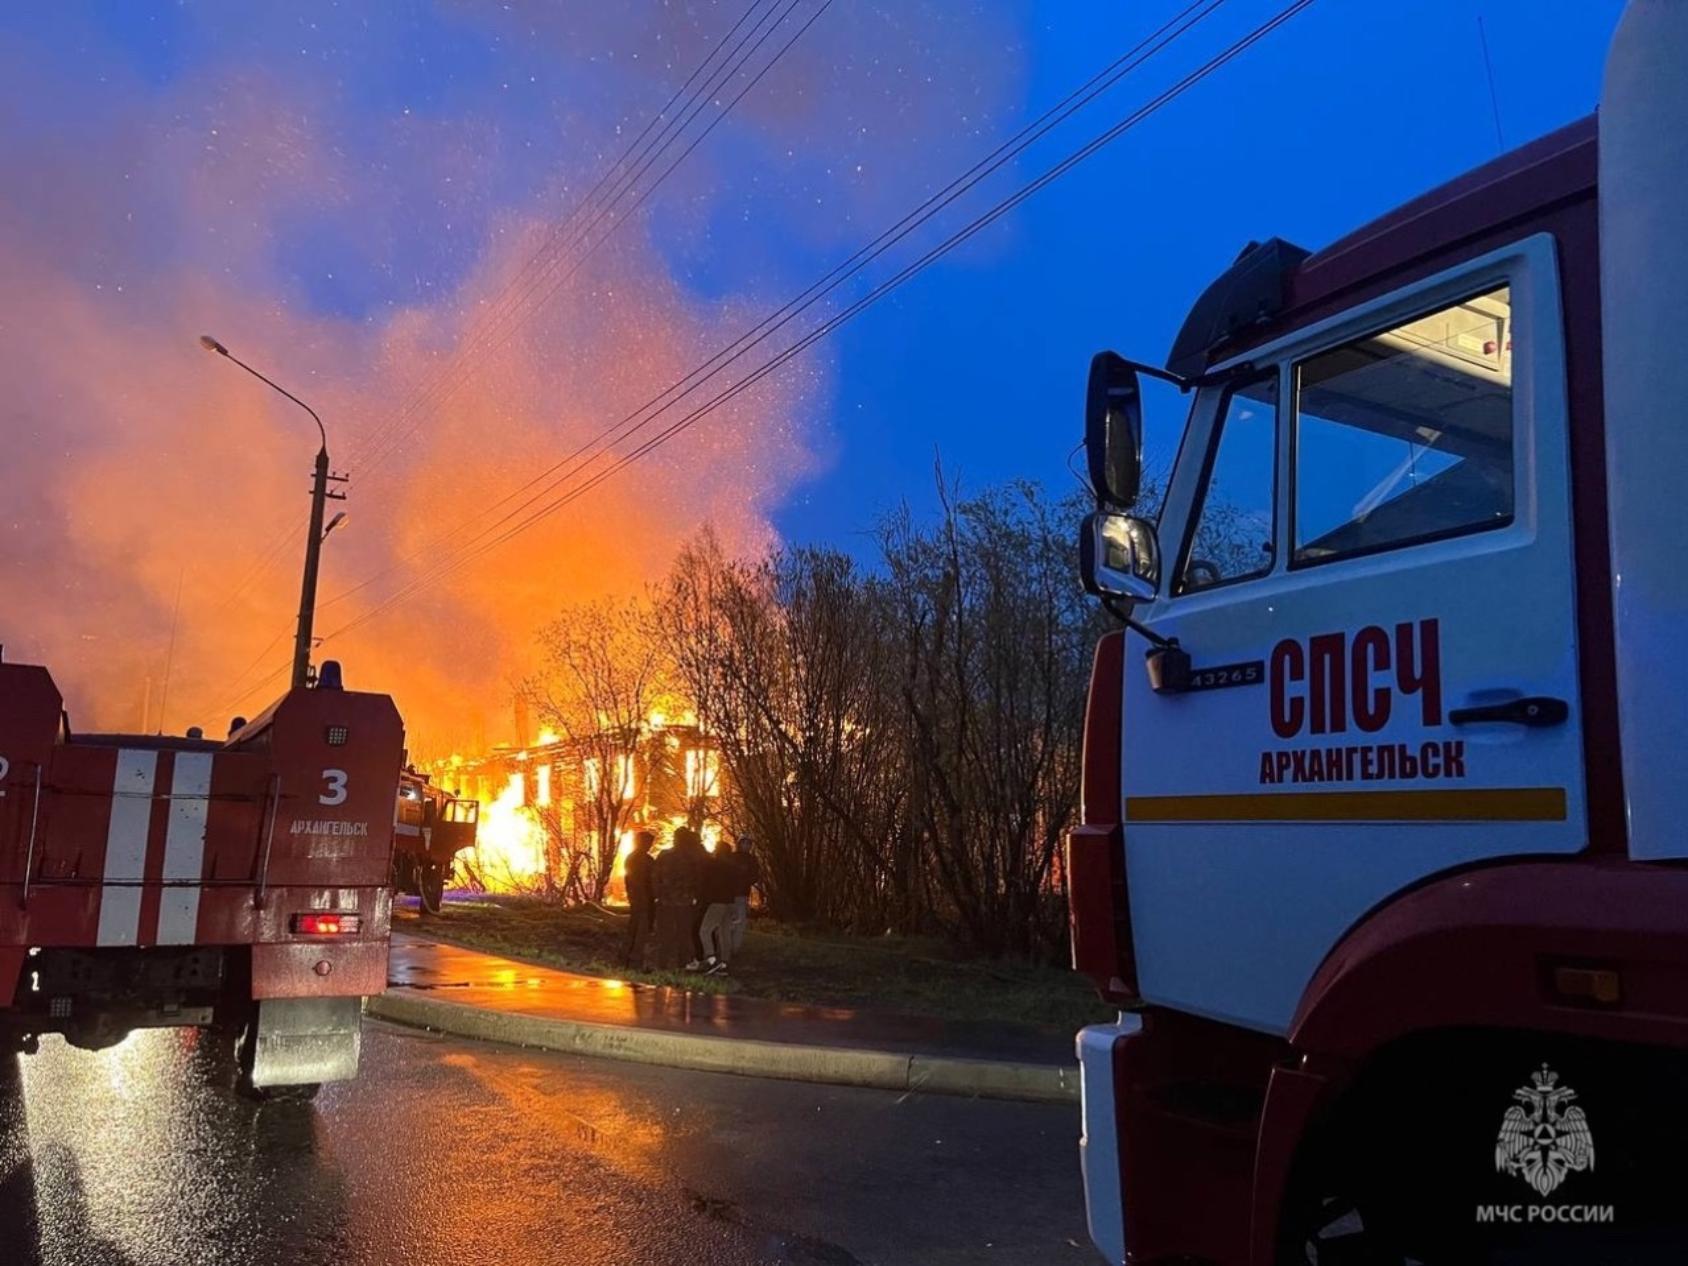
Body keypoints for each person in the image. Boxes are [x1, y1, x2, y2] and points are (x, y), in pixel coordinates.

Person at [652, 826, 704, 970]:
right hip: (684, 902)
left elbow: (655, 877)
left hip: (666, 902)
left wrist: (657, 896)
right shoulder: (692, 858)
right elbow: (698, 880)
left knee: (665, 935)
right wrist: (696, 898)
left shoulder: (664, 855)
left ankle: (662, 965)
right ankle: (682, 965)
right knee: (684, 934)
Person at [697, 838, 738, 975]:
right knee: (724, 933)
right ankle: (725, 964)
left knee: (704, 930)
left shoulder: (713, 865)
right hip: (729, 903)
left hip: (717, 903)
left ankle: (711, 960)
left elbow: (706, 883)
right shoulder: (732, 867)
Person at [621, 830, 656, 970]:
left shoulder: (636, 858)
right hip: (642, 899)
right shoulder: (641, 859)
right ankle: (634, 961)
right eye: (648, 842)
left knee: (635, 928)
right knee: (640, 930)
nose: (649, 845)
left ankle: (626, 958)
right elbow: (640, 881)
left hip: (640, 898)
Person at [727, 835, 758, 957]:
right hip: (730, 895)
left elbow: (754, 877)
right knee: (729, 922)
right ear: (739, 844)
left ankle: (734, 949)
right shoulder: (732, 857)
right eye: (744, 843)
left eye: (748, 844)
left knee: (739, 923)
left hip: (741, 895)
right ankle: (727, 948)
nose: (747, 846)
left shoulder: (751, 860)